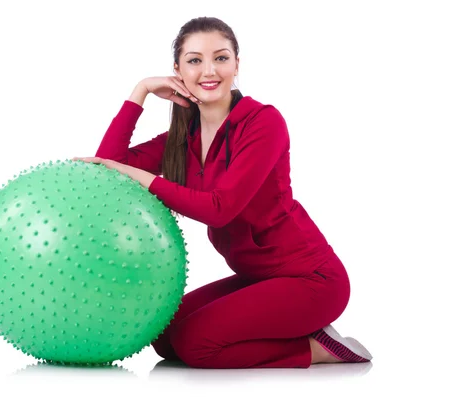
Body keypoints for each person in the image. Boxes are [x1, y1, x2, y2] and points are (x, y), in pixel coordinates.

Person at [73, 16, 373, 369]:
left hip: (311, 280)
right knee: (164, 334)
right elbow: (107, 167)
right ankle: (284, 327)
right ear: (177, 70)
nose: (209, 71)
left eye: (220, 58)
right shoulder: (184, 138)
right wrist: (140, 91)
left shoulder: (264, 122)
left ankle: (317, 348)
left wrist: (139, 176)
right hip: (256, 277)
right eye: (194, 60)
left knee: (195, 345)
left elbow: (220, 209)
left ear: (236, 64)